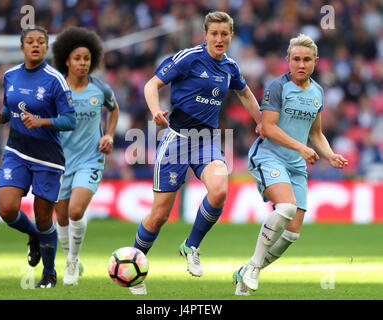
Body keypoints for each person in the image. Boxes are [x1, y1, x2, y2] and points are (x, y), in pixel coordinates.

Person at [130, 11, 263, 295]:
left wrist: (261, 121)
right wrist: (155, 110)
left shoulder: (230, 67)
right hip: (176, 140)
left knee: (219, 190)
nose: (219, 39)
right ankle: (134, 265)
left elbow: (246, 93)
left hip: (207, 140)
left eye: (224, 34)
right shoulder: (188, 58)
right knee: (159, 215)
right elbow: (151, 84)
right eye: (214, 33)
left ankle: (191, 246)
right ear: (205, 35)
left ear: (231, 36)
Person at [233, 34, 348, 296]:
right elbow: (268, 128)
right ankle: (253, 266)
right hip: (269, 156)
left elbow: (316, 132)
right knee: (285, 207)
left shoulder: (318, 91)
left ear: (316, 62)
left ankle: (248, 271)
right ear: (288, 60)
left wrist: (329, 155)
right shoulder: (277, 87)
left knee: (293, 233)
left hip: (296, 164)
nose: (301, 64)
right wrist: (300, 147)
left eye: (307, 60)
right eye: (296, 59)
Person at [0, 26, 76, 288]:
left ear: (47, 48)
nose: (35, 45)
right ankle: (34, 236)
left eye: (41, 42)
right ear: (22, 47)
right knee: (6, 208)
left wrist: (43, 122)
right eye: (30, 41)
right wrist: (0, 116)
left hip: (47, 157)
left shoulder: (55, 79)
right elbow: (8, 105)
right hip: (16, 150)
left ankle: (49, 274)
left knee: (44, 217)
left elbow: (70, 120)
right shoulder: (10, 75)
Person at [51, 26, 119, 286]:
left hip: (90, 158)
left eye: (87, 59)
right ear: (66, 60)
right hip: (59, 160)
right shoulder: (55, 88)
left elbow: (114, 110)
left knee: (76, 211)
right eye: (78, 58)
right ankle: (73, 259)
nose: (83, 63)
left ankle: (71, 261)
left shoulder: (99, 89)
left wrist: (109, 135)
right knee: (61, 216)